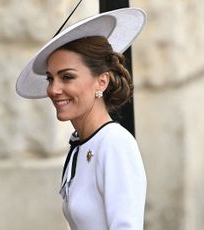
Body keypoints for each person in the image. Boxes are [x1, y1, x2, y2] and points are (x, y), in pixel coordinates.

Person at [16, 7, 147, 230]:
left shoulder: (115, 143)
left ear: (102, 82)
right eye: (50, 78)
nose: (54, 89)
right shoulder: (81, 144)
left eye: (67, 77)